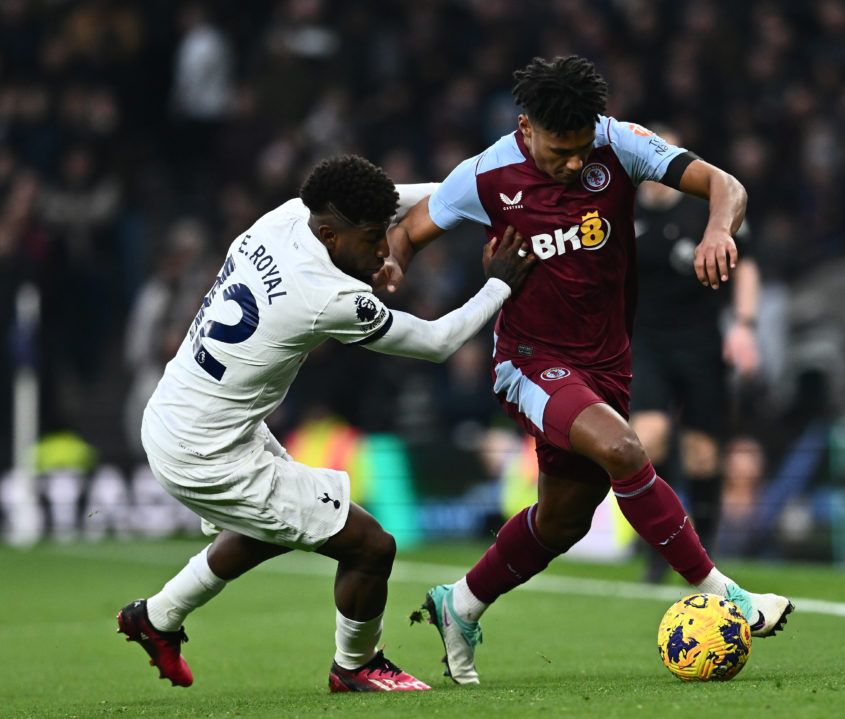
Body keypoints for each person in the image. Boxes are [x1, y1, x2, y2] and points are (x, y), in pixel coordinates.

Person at [382, 56, 793, 685]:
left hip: (609, 366)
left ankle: (459, 604)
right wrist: (390, 273)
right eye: (559, 151)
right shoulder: (486, 175)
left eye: (581, 150)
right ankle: (730, 595)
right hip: (528, 363)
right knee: (626, 450)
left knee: (564, 520)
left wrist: (717, 230)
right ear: (526, 128)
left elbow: (725, 184)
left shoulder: (618, 143)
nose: (573, 163)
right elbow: (408, 232)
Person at [116, 155, 535, 692]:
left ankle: (155, 617)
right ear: (332, 235)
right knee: (370, 545)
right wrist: (499, 284)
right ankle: (356, 666)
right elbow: (438, 343)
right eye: (371, 240)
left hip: (183, 413)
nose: (385, 249)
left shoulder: (285, 216)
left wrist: (491, 192)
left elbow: (402, 198)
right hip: (207, 451)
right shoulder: (327, 296)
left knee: (269, 528)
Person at [630, 124, 761, 581]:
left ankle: (703, 551)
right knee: (648, 439)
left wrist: (744, 327)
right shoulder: (620, 208)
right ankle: (656, 548)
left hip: (702, 343)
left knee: (703, 454)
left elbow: (746, 268)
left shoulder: (706, 206)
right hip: (645, 341)